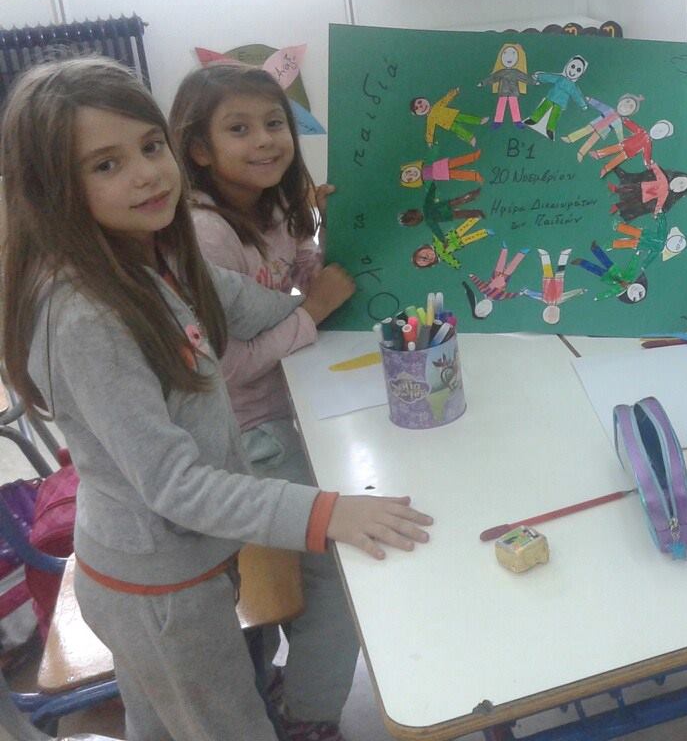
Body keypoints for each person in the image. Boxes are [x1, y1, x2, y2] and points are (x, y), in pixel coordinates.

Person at [0, 58, 433, 741]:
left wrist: (325, 271)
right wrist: (327, 512)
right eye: (107, 164)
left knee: (170, 723)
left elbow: (260, 307)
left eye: (150, 147)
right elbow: (175, 485)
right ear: (52, 188)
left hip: (185, 564)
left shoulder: (158, 254)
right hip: (159, 589)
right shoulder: (84, 319)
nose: (147, 174)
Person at [169, 61, 362, 741]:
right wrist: (312, 312)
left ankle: (284, 684)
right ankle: (310, 717)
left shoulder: (270, 205)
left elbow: (295, 276)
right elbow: (221, 368)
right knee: (338, 583)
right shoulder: (205, 233)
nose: (265, 140)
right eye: (239, 129)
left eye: (274, 123)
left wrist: (325, 235)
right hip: (247, 432)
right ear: (199, 149)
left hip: (292, 406)